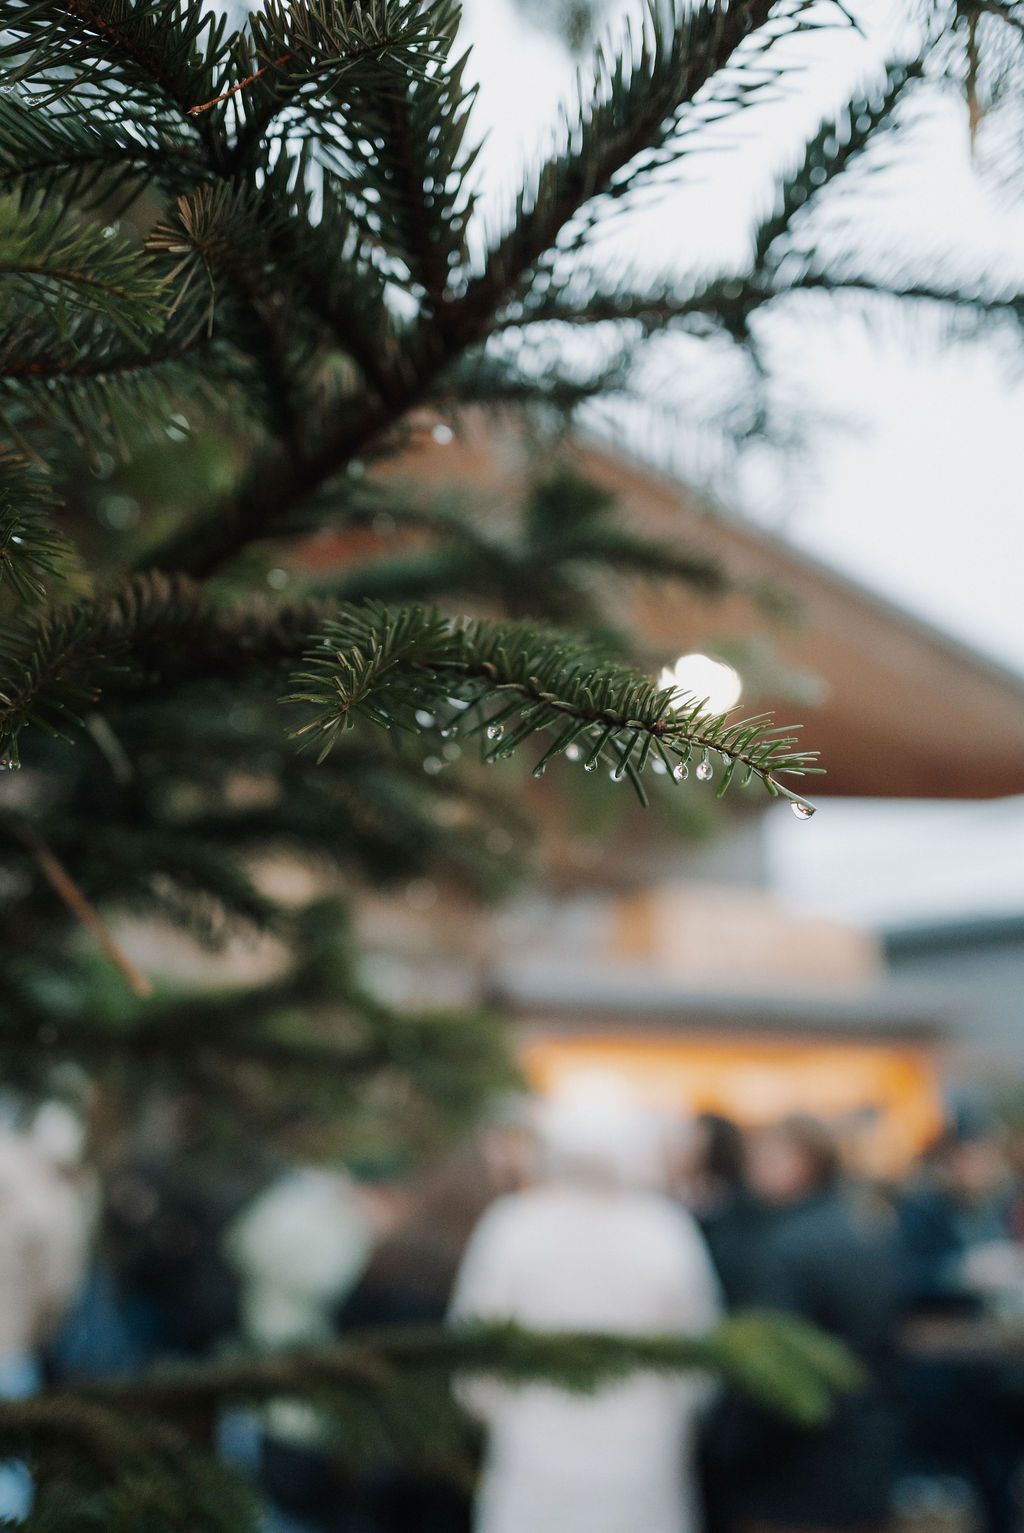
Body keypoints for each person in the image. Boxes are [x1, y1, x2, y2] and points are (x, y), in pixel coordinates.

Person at [450, 1081, 722, 1533]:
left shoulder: (516, 1224)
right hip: (639, 1449)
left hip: (535, 1442)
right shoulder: (666, 1231)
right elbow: (699, 1350)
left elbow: (475, 1347)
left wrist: (494, 1408)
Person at [710, 1114, 899, 1533]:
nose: (752, 1168)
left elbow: (771, 1368)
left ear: (803, 1162)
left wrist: (730, 1452)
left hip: (795, 1473)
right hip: (860, 1455)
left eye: (765, 1156)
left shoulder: (785, 1247)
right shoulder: (863, 1228)